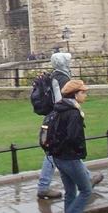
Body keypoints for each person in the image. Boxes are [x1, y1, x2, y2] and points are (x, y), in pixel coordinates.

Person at [49, 80, 103, 213]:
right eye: (83, 92)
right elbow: (73, 137)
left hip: (58, 156)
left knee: (70, 192)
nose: (85, 95)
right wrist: (79, 151)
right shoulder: (73, 112)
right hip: (70, 157)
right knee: (86, 190)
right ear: (75, 94)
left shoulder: (59, 108)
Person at [36, 52, 72, 199]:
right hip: (58, 119)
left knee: (67, 148)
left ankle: (86, 179)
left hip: (55, 118)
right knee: (54, 152)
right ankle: (43, 187)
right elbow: (60, 100)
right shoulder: (61, 78)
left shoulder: (56, 75)